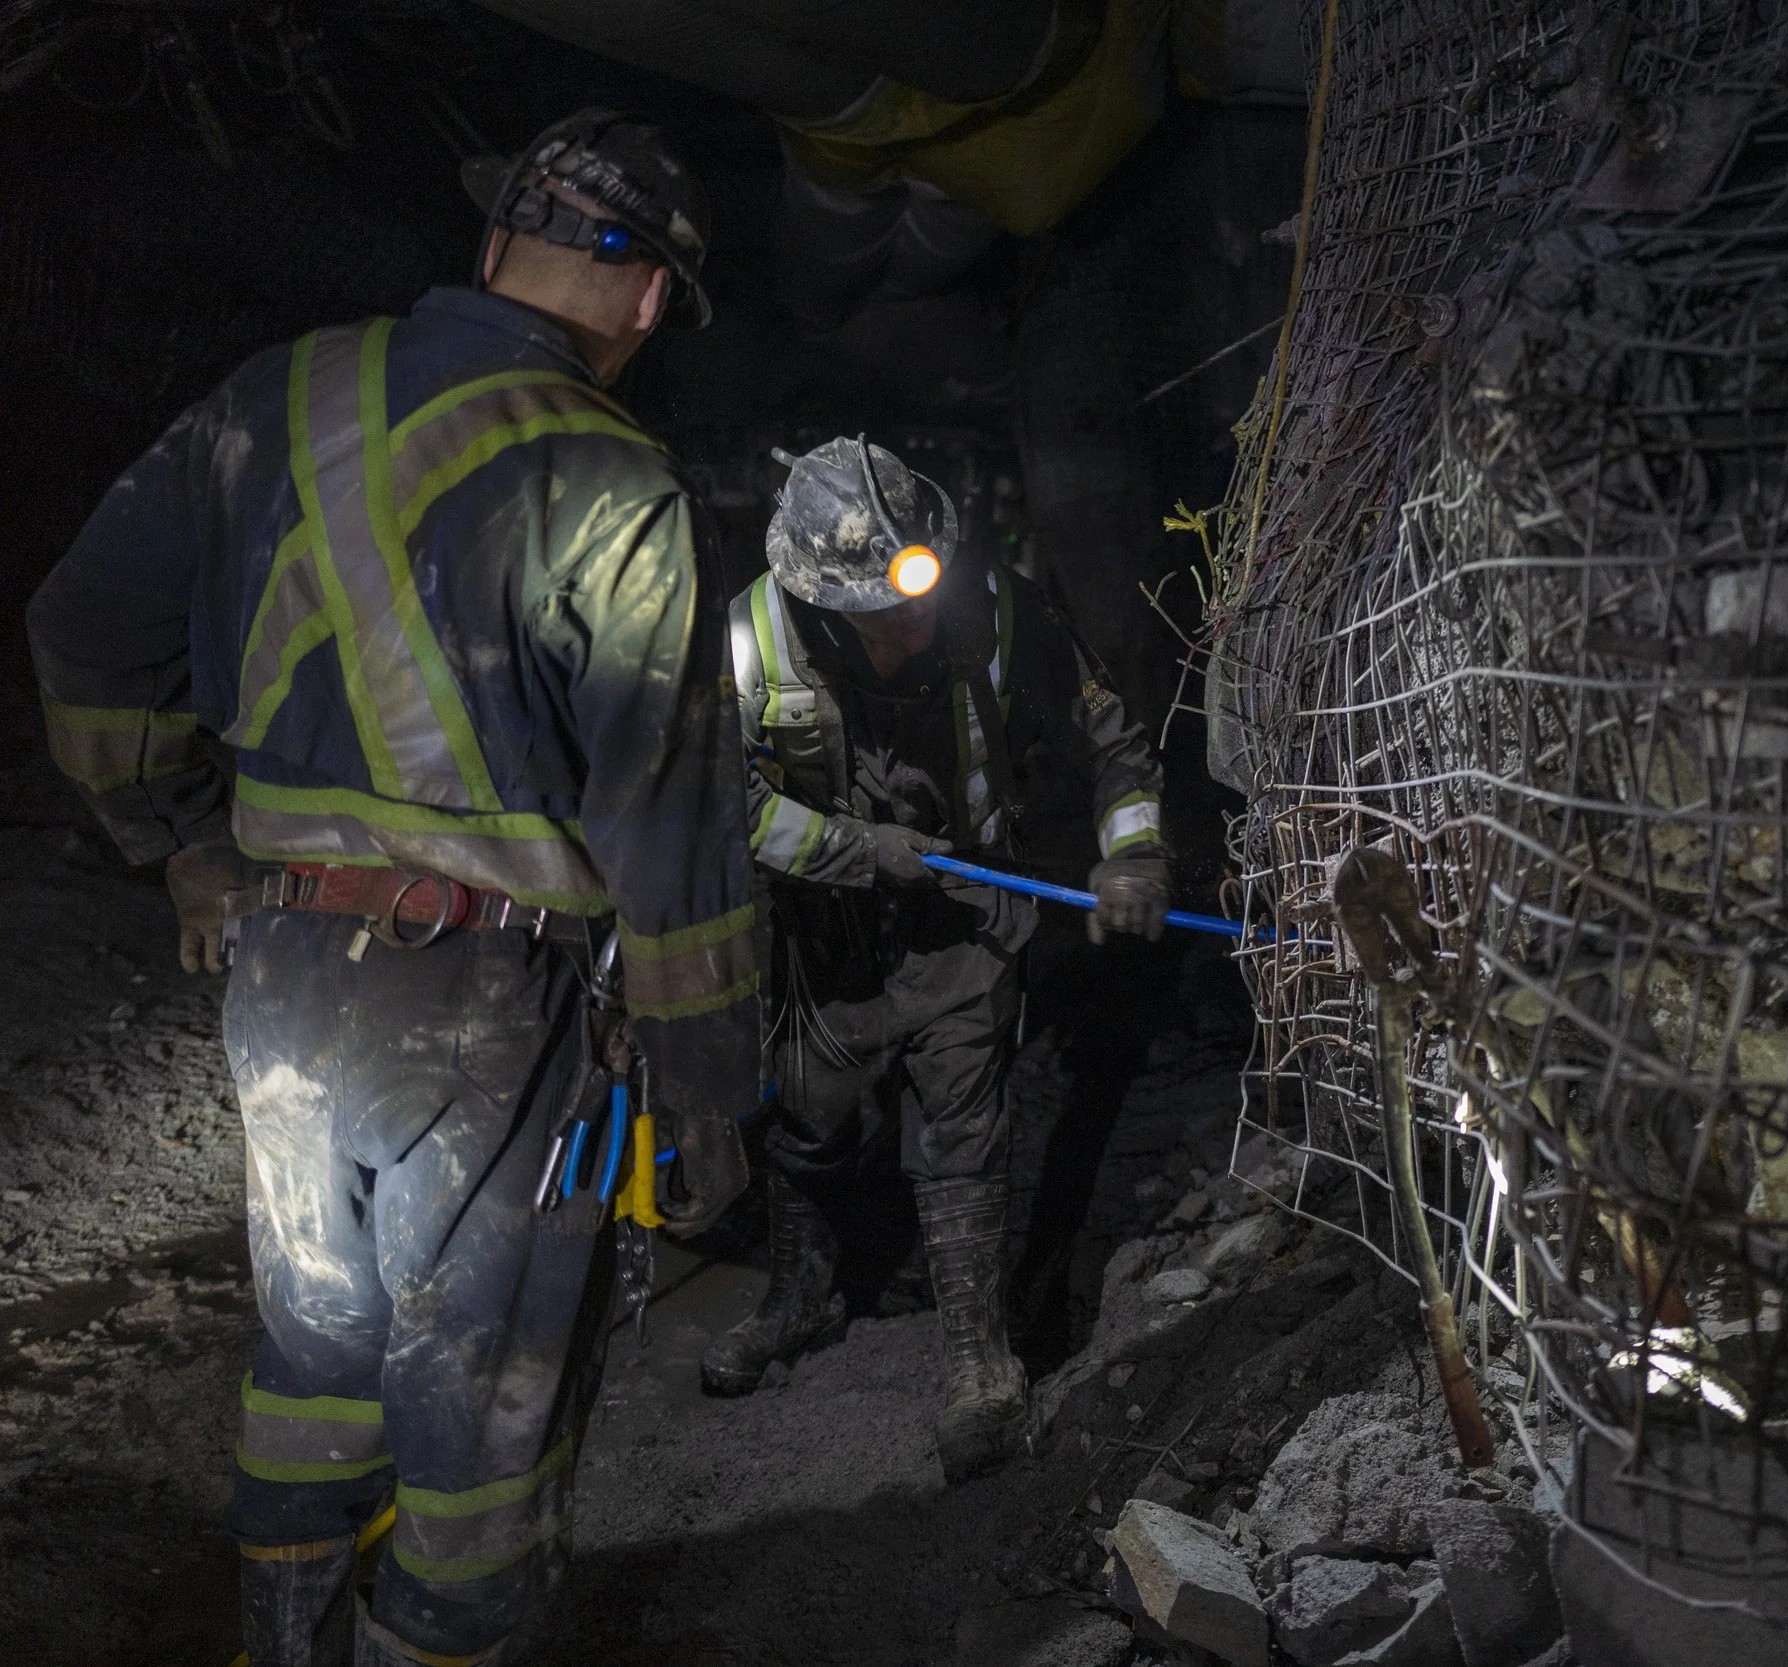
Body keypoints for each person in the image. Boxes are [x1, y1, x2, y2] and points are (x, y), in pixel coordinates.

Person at [26, 110, 757, 1666]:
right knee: (479, 1422)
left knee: (315, 1355)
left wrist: (178, 837)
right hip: (485, 1003)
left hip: (280, 979)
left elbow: (85, 634)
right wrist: (704, 1100)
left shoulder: (274, 396)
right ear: (644, 306)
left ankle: (282, 1639)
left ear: (494, 244)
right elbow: (672, 837)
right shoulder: (619, 484)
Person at [703, 436, 1168, 1481]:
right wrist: (851, 848)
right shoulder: (744, 642)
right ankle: (800, 1296)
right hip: (825, 935)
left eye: (921, 593)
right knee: (811, 1122)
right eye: (882, 609)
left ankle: (976, 1350)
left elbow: (1112, 745)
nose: (914, 622)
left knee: (961, 1124)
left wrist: (1133, 849)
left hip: (964, 916)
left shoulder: (999, 610)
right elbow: (712, 807)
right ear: (815, 594)